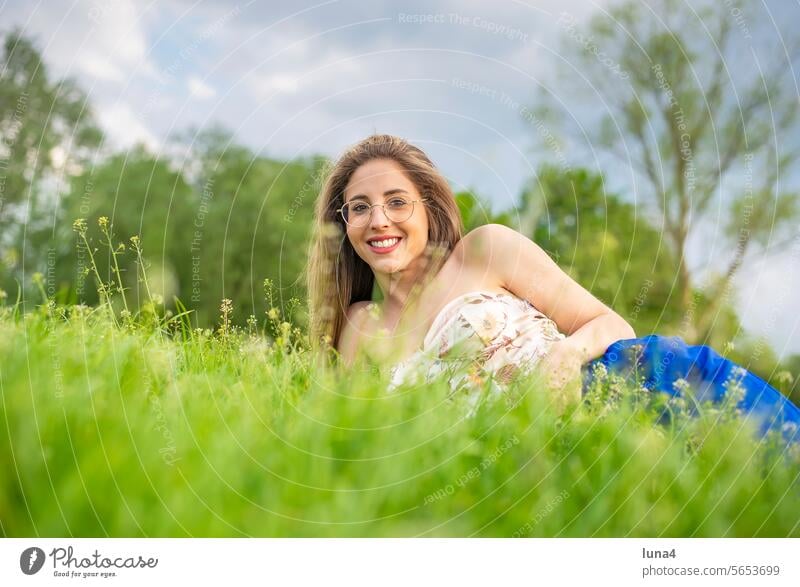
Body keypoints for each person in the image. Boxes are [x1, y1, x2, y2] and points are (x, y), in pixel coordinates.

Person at [306, 134, 800, 440]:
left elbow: (610, 323)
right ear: (343, 224)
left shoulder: (486, 250)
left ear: (428, 208)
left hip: (625, 384)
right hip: (534, 458)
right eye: (360, 207)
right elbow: (363, 442)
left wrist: (566, 357)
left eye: (397, 201)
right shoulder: (358, 328)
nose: (379, 220)